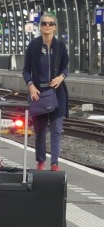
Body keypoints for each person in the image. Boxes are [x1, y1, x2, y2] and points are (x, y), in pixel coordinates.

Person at [23, 11, 69, 171]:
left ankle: (55, 163)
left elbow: (66, 68)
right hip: (39, 94)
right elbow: (26, 70)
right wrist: (31, 85)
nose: (47, 26)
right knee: (40, 131)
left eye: (50, 23)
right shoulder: (33, 46)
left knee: (56, 130)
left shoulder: (60, 46)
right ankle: (40, 161)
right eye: (44, 23)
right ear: (40, 26)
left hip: (57, 93)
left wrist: (61, 77)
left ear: (55, 27)